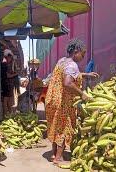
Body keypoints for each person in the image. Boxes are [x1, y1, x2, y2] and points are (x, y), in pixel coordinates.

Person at [45, 38, 99, 166]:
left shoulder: (62, 61)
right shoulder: (72, 65)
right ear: (76, 51)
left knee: (55, 126)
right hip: (63, 102)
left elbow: (69, 74)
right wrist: (82, 94)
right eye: (83, 54)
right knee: (65, 128)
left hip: (53, 100)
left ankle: (53, 154)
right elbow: (68, 82)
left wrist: (86, 74)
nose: (83, 57)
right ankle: (58, 158)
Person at [1, 49, 18, 117]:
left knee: (9, 100)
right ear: (7, 57)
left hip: (8, 84)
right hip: (6, 84)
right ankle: (6, 115)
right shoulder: (5, 65)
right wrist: (16, 74)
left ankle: (9, 114)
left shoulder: (6, 64)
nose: (10, 59)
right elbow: (8, 75)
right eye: (9, 57)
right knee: (6, 100)